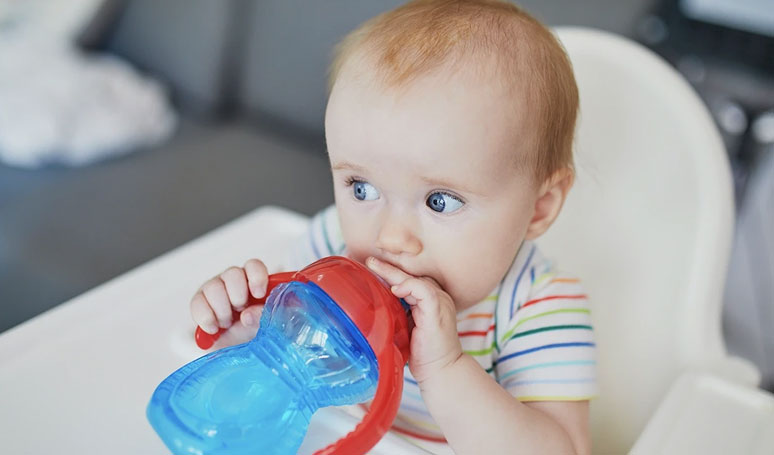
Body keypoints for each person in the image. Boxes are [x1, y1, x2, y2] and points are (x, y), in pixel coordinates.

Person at [190, 1, 596, 453]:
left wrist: (445, 368)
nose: (390, 238)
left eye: (440, 201)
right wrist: (247, 335)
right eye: (361, 188)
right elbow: (292, 376)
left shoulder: (537, 308)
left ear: (538, 208)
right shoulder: (331, 248)